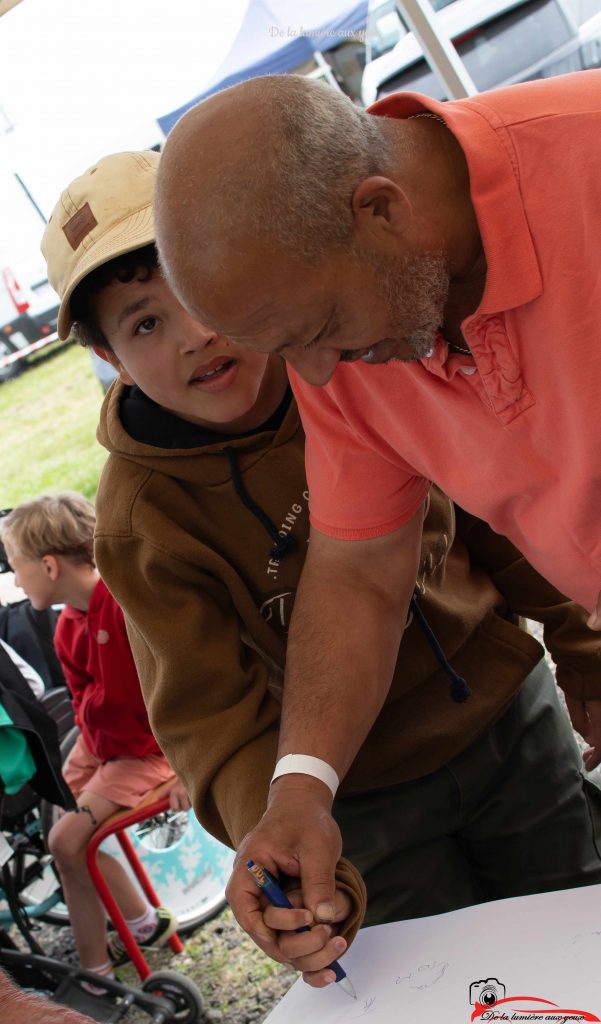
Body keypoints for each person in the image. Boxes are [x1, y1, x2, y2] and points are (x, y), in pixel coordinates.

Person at [40, 151, 601, 991]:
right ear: (110, 358)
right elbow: (207, 720)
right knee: (458, 989)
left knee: (578, 931)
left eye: (201, 295)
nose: (193, 334)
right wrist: (283, 836)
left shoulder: (361, 358)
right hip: (358, 806)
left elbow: (496, 509)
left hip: (509, 725)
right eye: (145, 324)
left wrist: (579, 643)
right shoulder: (141, 517)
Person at [0, 493, 182, 989]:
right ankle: (141, 923)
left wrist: (189, 767)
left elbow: (181, 687)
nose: (14, 581)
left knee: (66, 840)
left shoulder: (125, 607)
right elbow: (86, 706)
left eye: (16, 567)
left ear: (49, 565)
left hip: (149, 752)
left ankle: (95, 977)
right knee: (61, 833)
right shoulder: (66, 627)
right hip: (102, 748)